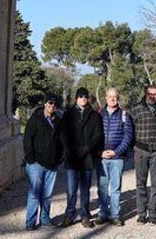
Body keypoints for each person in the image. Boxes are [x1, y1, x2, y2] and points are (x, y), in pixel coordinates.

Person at [59, 87, 104, 228]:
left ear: (88, 98)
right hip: (72, 157)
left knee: (85, 189)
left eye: (85, 96)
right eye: (80, 96)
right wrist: (71, 150)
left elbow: (97, 135)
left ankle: (85, 215)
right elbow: (63, 134)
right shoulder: (68, 114)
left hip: (87, 157)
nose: (83, 98)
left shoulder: (94, 115)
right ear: (76, 98)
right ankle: (70, 215)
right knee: (71, 189)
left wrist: (85, 149)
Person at [22, 94, 63, 231]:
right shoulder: (35, 119)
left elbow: (62, 141)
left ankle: (45, 219)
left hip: (52, 164)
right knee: (34, 194)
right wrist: (31, 159)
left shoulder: (58, 120)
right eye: (50, 103)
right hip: (37, 164)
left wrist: (60, 157)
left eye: (55, 104)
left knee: (47, 195)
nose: (52, 106)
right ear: (45, 103)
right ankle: (30, 222)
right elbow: (27, 139)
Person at [129, 84, 156, 224]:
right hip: (140, 151)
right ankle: (141, 213)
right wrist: (132, 148)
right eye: (150, 94)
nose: (153, 96)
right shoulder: (136, 108)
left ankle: (153, 213)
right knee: (141, 184)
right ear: (146, 94)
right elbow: (130, 129)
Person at [96, 87, 134, 226]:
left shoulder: (125, 115)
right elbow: (94, 136)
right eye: (110, 96)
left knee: (116, 188)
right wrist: (100, 152)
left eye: (115, 97)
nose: (112, 99)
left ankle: (115, 215)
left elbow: (128, 136)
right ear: (105, 98)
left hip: (117, 157)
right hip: (101, 157)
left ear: (118, 98)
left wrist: (116, 152)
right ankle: (102, 213)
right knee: (102, 187)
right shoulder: (99, 114)